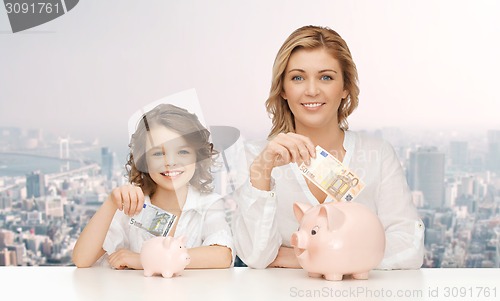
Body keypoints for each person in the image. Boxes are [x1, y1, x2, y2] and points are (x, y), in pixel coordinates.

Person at [231, 25, 425, 270]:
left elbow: (409, 246)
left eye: (326, 77)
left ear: (345, 88)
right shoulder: (254, 157)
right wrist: (263, 169)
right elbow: (256, 257)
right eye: (298, 78)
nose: (312, 90)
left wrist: (309, 257)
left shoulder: (378, 154)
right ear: (283, 89)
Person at [72, 104, 234, 269]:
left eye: (183, 152)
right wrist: (111, 203)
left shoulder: (207, 204)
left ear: (197, 157)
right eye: (158, 153)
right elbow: (82, 259)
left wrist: (144, 260)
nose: (170, 162)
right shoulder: (131, 207)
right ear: (144, 161)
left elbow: (222, 256)